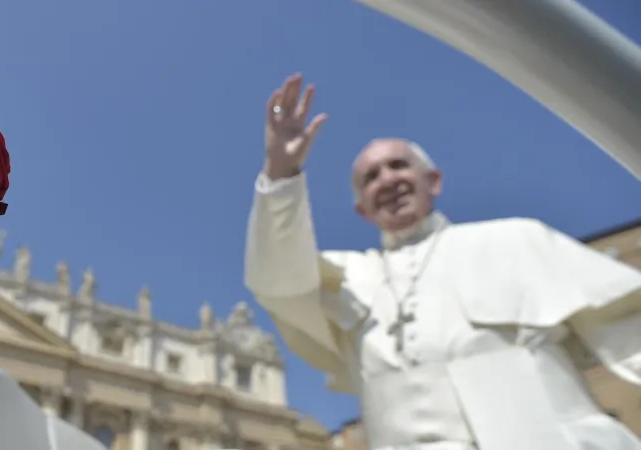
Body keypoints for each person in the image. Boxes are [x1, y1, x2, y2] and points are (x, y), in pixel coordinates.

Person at [244, 73, 641, 450]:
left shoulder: (517, 238)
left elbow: (630, 326)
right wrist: (281, 175)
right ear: (362, 209)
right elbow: (278, 279)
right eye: (370, 177)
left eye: (398, 165)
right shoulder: (348, 277)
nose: (386, 179)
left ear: (433, 180)